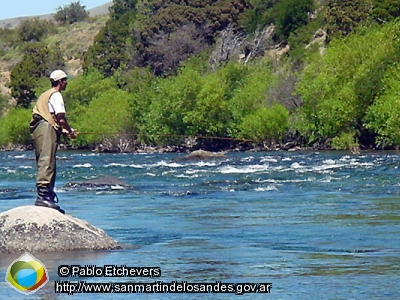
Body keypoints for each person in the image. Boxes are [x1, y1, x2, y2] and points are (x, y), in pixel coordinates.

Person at [30, 70, 78, 214]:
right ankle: (44, 196)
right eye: (65, 80)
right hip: (46, 129)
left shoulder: (46, 94)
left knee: (43, 159)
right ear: (60, 81)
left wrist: (62, 130)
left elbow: (50, 117)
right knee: (47, 160)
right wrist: (70, 132)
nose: (66, 83)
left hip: (40, 129)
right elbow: (60, 118)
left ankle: (46, 195)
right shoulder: (56, 95)